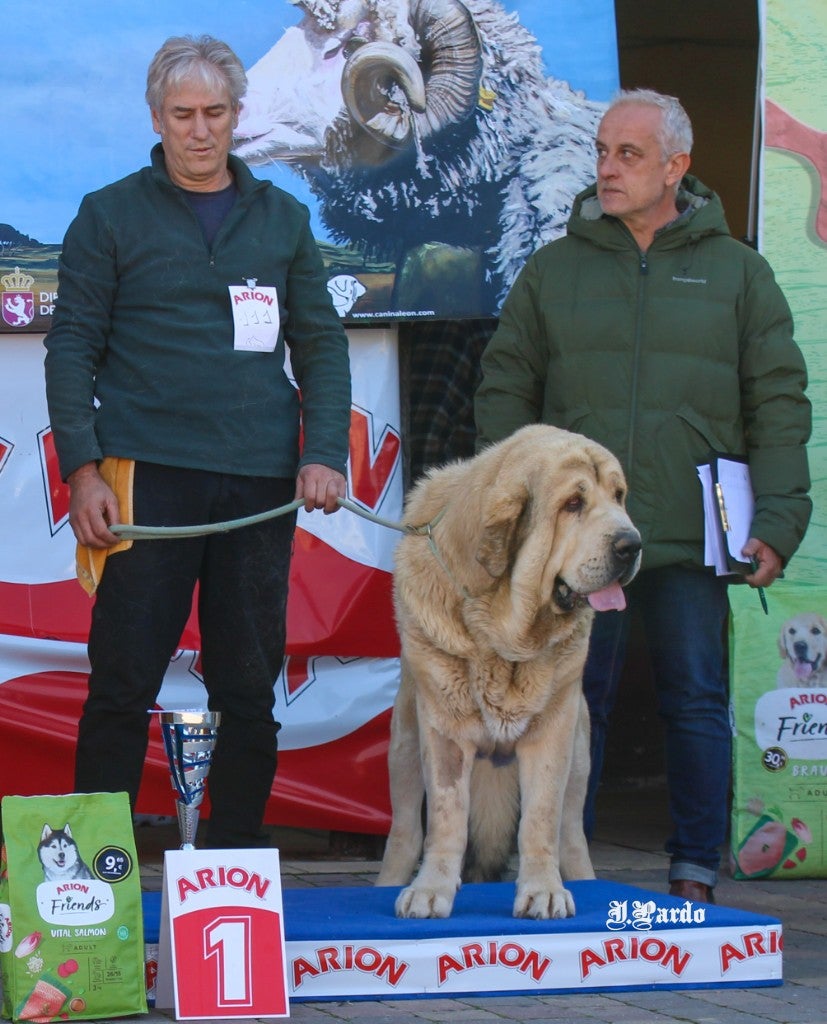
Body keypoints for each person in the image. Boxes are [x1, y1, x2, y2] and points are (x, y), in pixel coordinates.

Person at [474, 88, 811, 902]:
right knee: (564, 702)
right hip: (574, 546)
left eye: (628, 154)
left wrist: (775, 519)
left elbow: (777, 402)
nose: (607, 167)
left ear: (676, 166)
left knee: (694, 698)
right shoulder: (553, 269)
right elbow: (503, 387)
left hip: (685, 532)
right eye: (601, 151)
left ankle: (695, 866)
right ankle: (554, 868)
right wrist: (514, 508)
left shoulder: (738, 271)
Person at [44, 35, 351, 848]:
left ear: (237, 116)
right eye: (182, 114)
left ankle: (236, 867)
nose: (200, 130)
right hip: (144, 476)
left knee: (248, 685)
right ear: (156, 118)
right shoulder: (107, 214)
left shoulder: (282, 217)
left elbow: (320, 343)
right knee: (122, 678)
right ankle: (94, 873)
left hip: (258, 479)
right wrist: (82, 467)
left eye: (215, 112)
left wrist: (324, 451)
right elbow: (71, 343)